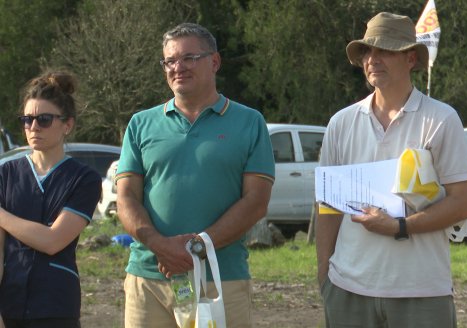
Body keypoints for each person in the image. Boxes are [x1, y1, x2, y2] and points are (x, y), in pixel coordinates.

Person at [315, 12, 467, 328]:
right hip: (347, 289)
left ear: (411, 58)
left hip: (422, 292)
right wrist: (325, 274)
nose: (373, 59)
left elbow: (464, 203)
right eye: (367, 51)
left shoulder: (441, 119)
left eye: (385, 50)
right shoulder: (341, 122)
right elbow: (328, 207)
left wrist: (399, 227)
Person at [116, 22, 275, 328]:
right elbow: (126, 198)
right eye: (170, 61)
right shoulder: (140, 124)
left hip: (221, 280)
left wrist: (197, 248)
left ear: (214, 62)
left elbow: (256, 202)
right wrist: (161, 246)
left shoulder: (250, 122)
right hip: (149, 279)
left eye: (189, 58)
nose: (178, 67)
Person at [0, 71, 102, 328]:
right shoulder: (6, 173)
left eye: (44, 120)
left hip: (56, 304)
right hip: (10, 302)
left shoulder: (84, 179)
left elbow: (53, 241)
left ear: (67, 124)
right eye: (27, 119)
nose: (33, 127)